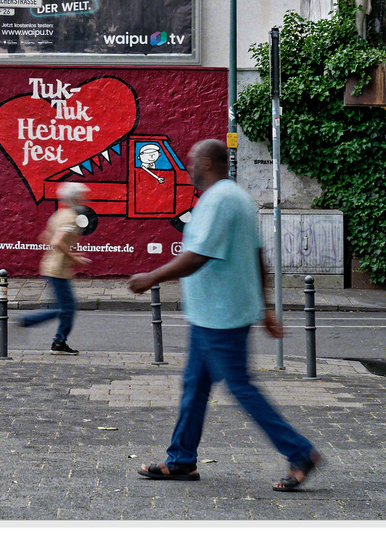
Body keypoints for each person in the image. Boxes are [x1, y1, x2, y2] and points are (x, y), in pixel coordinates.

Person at [128, 139, 323, 492]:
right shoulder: (237, 196)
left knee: (241, 387)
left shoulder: (219, 201)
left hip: (221, 315)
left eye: (191, 160)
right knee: (195, 387)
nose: (187, 165)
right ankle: (181, 461)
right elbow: (257, 254)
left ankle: (300, 452)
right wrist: (263, 307)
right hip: (213, 315)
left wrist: (151, 278)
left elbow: (197, 256)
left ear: (206, 163)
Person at [20, 183, 91, 354]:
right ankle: (29, 321)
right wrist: (74, 257)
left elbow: (45, 237)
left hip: (53, 266)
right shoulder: (71, 217)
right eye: (82, 196)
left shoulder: (58, 215)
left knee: (65, 307)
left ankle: (59, 341)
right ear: (74, 198)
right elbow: (56, 241)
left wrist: (62, 253)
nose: (85, 199)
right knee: (66, 308)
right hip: (58, 269)